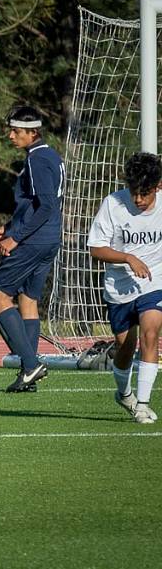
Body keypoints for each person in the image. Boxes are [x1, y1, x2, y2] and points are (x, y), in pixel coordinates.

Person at [0, 105, 64, 392]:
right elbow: (35, 204)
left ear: (32, 132)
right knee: (28, 300)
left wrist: (15, 237)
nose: (10, 135)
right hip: (49, 238)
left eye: (16, 131)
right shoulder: (50, 156)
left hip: (33, 240)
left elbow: (46, 205)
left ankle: (31, 365)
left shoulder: (37, 159)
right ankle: (27, 375)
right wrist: (7, 228)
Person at [88, 152, 162, 424]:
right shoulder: (113, 204)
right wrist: (128, 257)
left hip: (155, 283)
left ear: (158, 186)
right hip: (119, 288)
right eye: (134, 192)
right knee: (125, 348)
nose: (138, 199)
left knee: (151, 334)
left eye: (145, 193)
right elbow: (96, 248)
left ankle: (142, 405)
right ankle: (124, 393)